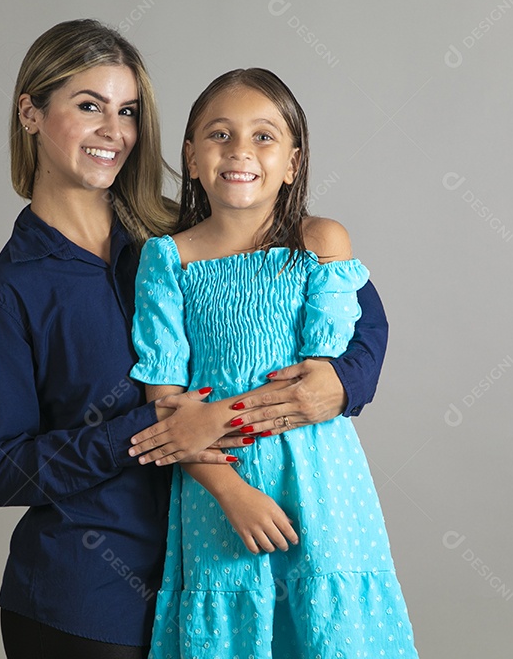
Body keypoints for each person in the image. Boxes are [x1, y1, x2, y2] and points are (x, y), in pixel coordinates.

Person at [0, 20, 390, 659]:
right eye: (88, 106)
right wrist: (155, 433)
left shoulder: (185, 240)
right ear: (31, 113)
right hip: (88, 607)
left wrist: (343, 381)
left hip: (229, 577)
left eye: (127, 111)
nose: (113, 131)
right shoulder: (8, 295)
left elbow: (362, 313)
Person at [129, 68, 418, 658]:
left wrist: (219, 415)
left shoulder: (322, 244)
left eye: (264, 136)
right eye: (219, 135)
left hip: (320, 478)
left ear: (293, 161)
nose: (240, 150)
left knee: (332, 631)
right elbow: (168, 408)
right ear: (189, 156)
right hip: (217, 489)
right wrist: (230, 491)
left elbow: (317, 381)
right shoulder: (166, 261)